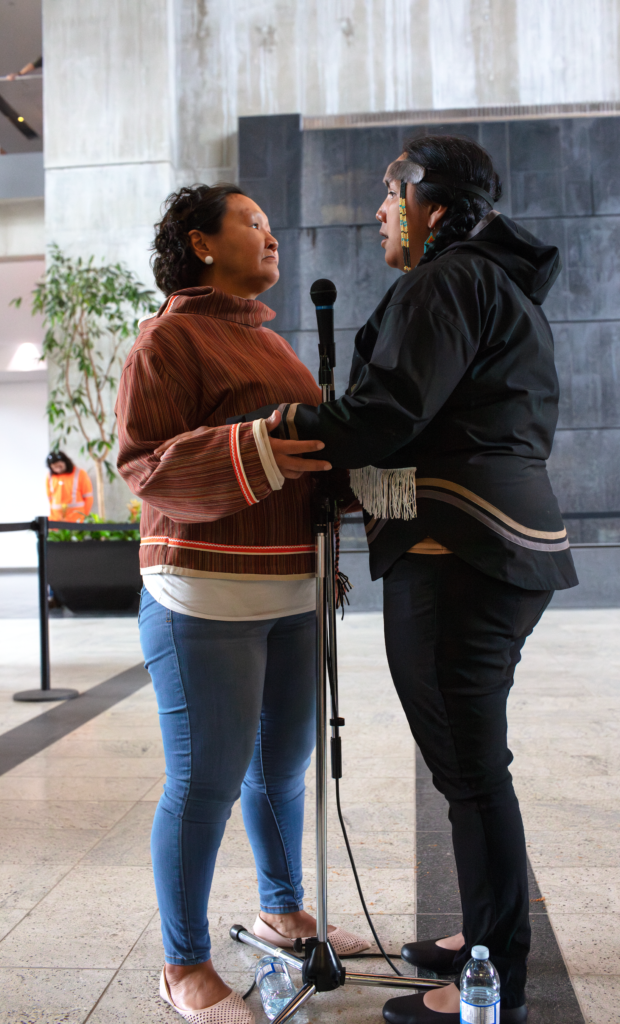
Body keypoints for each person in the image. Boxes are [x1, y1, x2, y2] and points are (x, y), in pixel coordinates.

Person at [267, 135, 578, 1024]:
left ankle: (492, 982)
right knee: (470, 767)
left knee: (472, 772)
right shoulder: (493, 282)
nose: (377, 210)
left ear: (432, 207)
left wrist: (290, 425)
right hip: (491, 545)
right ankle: (480, 935)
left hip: (458, 551)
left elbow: (391, 411)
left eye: (389, 192)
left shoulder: (447, 281)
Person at [116, 183, 368, 1024]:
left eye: (267, 224)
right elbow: (143, 467)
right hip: (204, 593)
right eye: (251, 224)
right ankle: (182, 964)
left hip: (293, 586)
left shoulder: (278, 347)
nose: (270, 236)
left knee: (282, 768)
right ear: (199, 244)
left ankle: (282, 906)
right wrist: (261, 444)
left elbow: (303, 458)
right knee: (205, 782)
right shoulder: (166, 339)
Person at [46, 451, 93, 521]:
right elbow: (50, 498)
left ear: (65, 462)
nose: (58, 469)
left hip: (76, 518)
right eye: (54, 467)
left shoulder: (80, 473)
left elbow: (88, 498)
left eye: (59, 466)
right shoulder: (49, 476)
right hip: (56, 519)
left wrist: (84, 516)